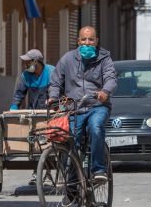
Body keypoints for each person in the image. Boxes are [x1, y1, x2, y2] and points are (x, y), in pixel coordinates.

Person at [49, 26, 117, 182]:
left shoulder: (104, 58)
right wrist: (53, 97)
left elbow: (111, 78)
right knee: (70, 140)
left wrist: (105, 91)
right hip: (74, 108)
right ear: (78, 41)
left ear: (96, 41)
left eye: (91, 39)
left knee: (96, 127)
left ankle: (98, 170)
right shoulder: (67, 59)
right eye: (84, 39)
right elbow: (55, 81)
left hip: (97, 106)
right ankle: (71, 186)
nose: (87, 43)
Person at [9, 49, 54, 185]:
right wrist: (14, 108)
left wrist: (52, 100)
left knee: (47, 144)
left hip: (50, 113)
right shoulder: (26, 76)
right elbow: (19, 94)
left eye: (27, 62)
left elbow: (57, 89)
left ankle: (46, 173)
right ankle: (36, 173)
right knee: (33, 143)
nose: (25, 65)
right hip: (34, 113)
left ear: (36, 62)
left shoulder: (51, 72)